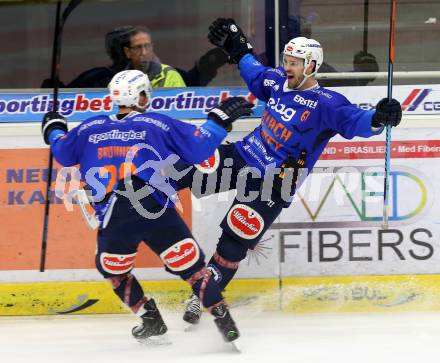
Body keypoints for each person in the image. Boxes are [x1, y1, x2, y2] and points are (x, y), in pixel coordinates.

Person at [176, 18, 402, 325]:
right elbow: (254, 73)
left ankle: (203, 295)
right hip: (242, 157)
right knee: (184, 167)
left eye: (294, 63)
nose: (287, 68)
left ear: (311, 66)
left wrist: (380, 118)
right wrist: (235, 45)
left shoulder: (328, 104)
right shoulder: (277, 82)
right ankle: (130, 203)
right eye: (286, 61)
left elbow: (359, 123)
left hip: (275, 183)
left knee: (235, 240)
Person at [41, 69, 254, 343]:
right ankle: (224, 321)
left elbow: (61, 151)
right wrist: (218, 120)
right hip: (153, 207)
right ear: (140, 95)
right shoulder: (156, 123)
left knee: (114, 271)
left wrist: (53, 126)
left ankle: (150, 318)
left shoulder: (88, 128)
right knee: (192, 269)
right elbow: (199, 148)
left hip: (115, 216)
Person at [64, 25, 227, 88]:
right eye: (137, 48)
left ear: (152, 47)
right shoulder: (115, 79)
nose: (144, 52)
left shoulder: (169, 75)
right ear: (127, 53)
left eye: (147, 46)